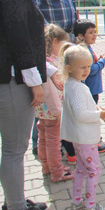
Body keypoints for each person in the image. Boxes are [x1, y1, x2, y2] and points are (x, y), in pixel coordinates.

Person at [0, 0, 55, 210]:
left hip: (12, 80)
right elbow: (20, 41)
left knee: (13, 149)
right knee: (14, 150)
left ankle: (15, 201)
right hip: (13, 82)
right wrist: (35, 83)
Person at [28, 0, 77, 158]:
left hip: (67, 40)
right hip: (50, 45)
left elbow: (69, 3)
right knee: (49, 95)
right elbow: (34, 10)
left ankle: (63, 140)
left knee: (64, 92)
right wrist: (49, 41)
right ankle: (42, 144)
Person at [60, 44, 105, 210]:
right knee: (94, 170)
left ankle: (77, 202)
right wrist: (99, 114)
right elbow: (81, 114)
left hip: (80, 137)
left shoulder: (72, 84)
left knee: (82, 170)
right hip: (86, 138)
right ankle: (90, 206)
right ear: (69, 68)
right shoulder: (78, 87)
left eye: (88, 66)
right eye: (82, 67)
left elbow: (82, 107)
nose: (86, 70)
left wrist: (97, 108)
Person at [37, 24, 73, 183]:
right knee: (53, 142)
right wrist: (57, 111)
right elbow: (51, 91)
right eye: (62, 45)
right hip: (53, 110)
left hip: (41, 110)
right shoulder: (51, 64)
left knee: (43, 138)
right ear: (54, 42)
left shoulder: (41, 61)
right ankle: (57, 172)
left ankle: (46, 167)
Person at [74, 19, 105, 154]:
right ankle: (94, 141)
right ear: (80, 36)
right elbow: (90, 70)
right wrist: (103, 61)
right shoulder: (83, 49)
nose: (94, 35)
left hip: (91, 88)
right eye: (90, 33)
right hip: (89, 89)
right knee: (92, 115)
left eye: (95, 32)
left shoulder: (87, 48)